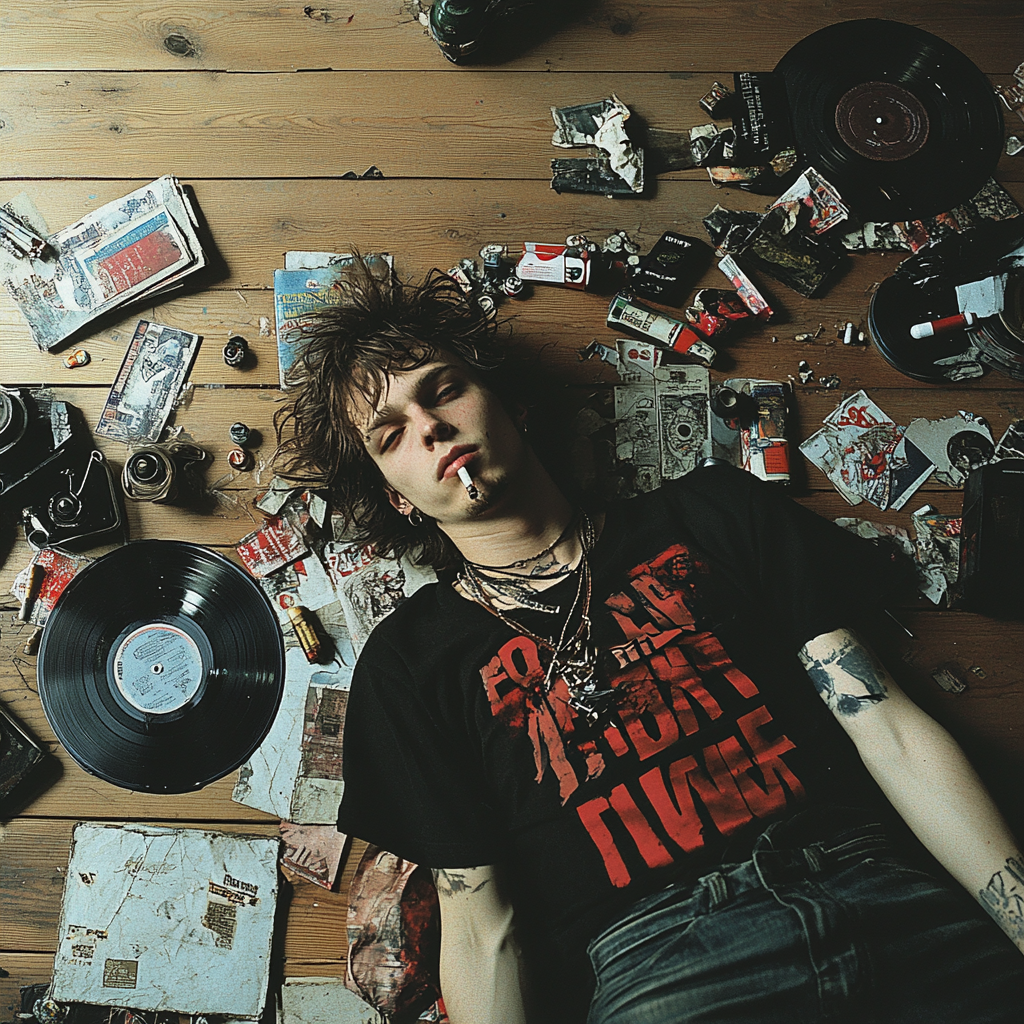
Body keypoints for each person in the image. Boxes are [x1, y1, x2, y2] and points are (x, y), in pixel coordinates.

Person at [275, 260, 1024, 1024]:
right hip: (665, 961)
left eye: (441, 391)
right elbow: (480, 924)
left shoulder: (714, 513)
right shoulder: (411, 663)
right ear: (395, 498)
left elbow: (889, 729)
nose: (430, 427)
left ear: (513, 403)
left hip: (882, 896)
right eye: (392, 434)